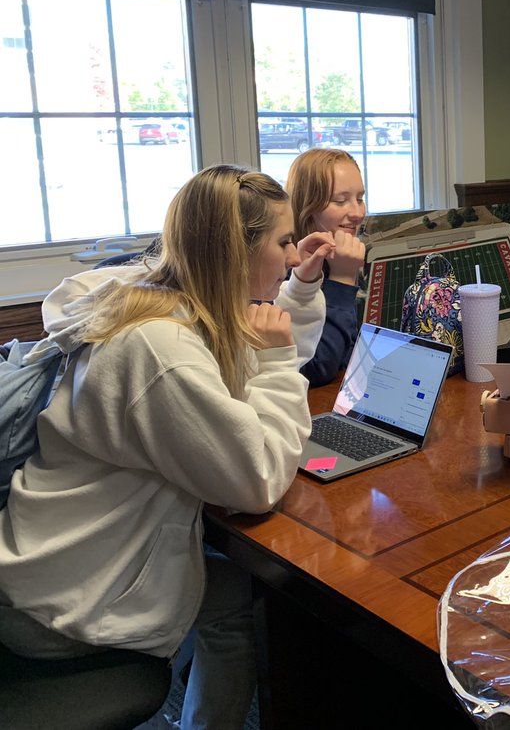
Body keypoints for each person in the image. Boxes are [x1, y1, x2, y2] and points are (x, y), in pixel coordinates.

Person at [0, 165, 333, 728]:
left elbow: (221, 406)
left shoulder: (142, 300)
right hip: (64, 605)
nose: (293, 258)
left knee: (238, 595)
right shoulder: (160, 351)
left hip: (43, 564)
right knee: (257, 602)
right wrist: (278, 359)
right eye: (282, 243)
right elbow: (258, 482)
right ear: (236, 251)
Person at [286, 148, 367, 386]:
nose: (357, 213)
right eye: (340, 200)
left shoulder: (347, 252)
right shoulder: (286, 269)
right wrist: (342, 279)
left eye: (360, 198)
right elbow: (315, 368)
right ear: (307, 207)